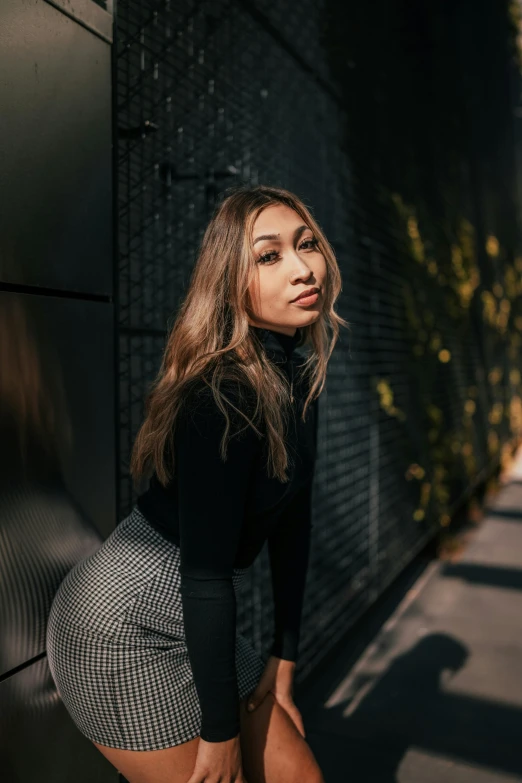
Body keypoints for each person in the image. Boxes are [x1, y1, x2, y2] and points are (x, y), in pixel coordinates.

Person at [46, 184, 348, 783]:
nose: (302, 268)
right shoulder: (222, 398)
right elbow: (205, 573)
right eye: (269, 256)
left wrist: (283, 656)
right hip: (122, 630)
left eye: (306, 244)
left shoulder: (297, 378)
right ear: (232, 284)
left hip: (197, 618)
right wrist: (221, 732)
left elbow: (295, 520)